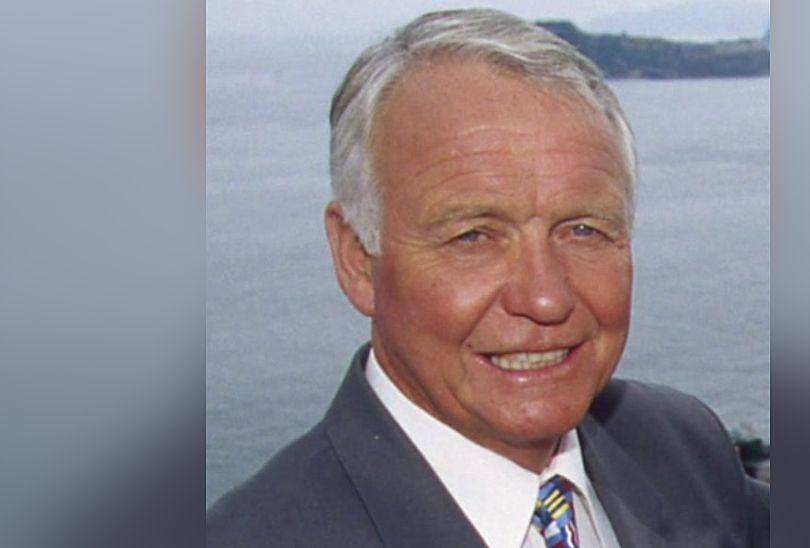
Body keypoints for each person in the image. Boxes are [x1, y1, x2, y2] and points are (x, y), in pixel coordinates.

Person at [207, 8, 769, 547]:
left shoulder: (681, 449)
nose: (546, 296)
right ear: (357, 258)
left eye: (583, 230)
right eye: (473, 237)